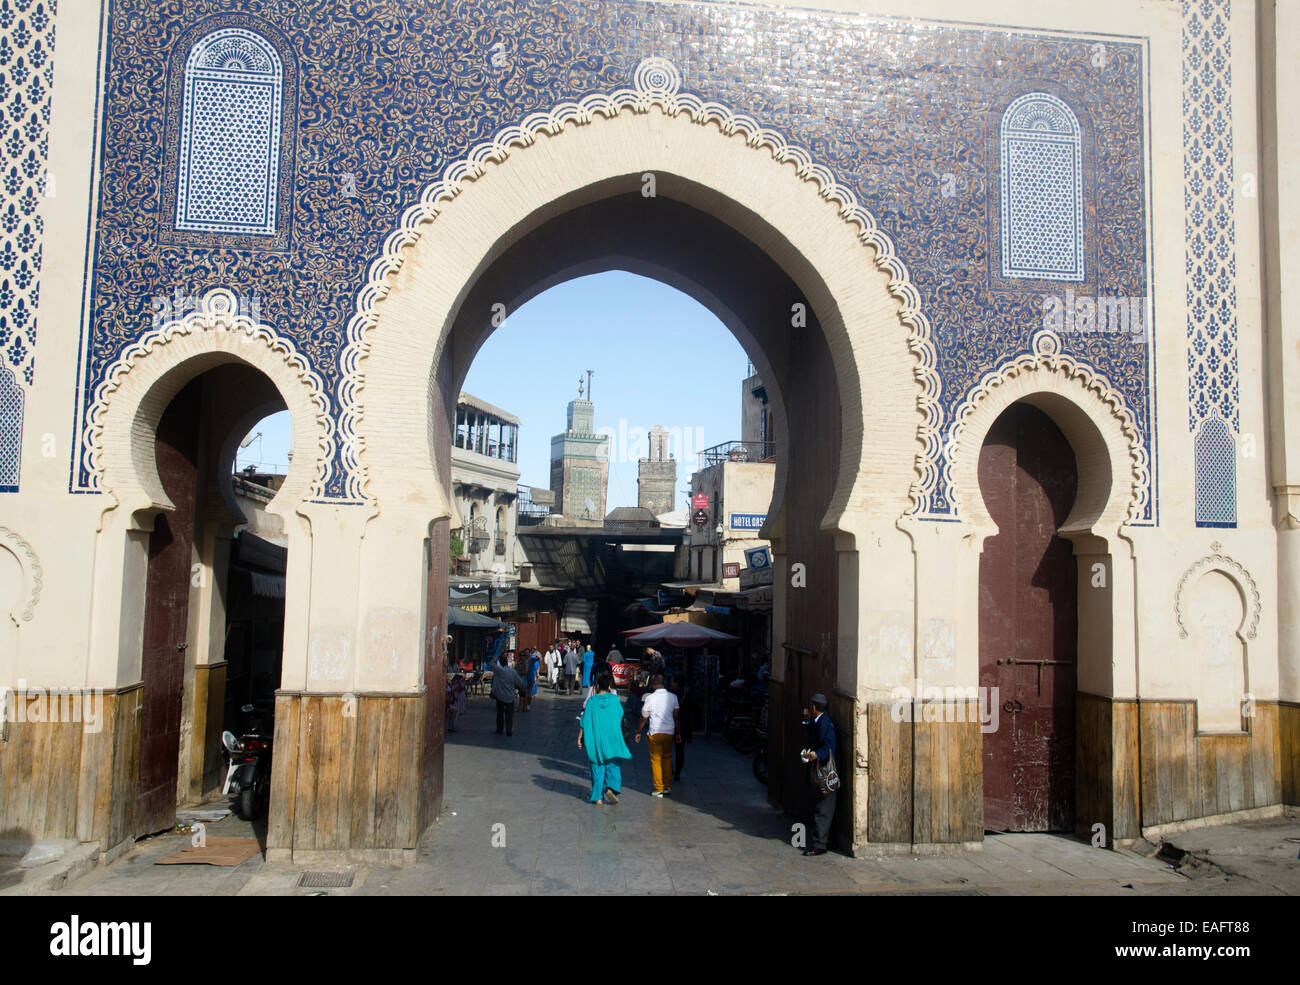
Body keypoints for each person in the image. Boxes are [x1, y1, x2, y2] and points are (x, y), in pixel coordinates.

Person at [578, 669, 632, 806]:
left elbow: (584, 721)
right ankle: (612, 788)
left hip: (596, 739)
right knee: (613, 765)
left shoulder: (591, 702)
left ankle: (597, 797)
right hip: (612, 737)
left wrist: (580, 738)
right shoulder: (614, 700)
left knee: (597, 766)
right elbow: (620, 716)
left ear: (596, 686)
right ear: (609, 686)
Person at [801, 692, 838, 856]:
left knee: (824, 809)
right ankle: (821, 841)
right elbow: (812, 729)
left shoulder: (825, 723)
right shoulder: (819, 720)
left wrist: (815, 755)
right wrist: (807, 719)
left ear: (814, 707)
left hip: (825, 774)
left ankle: (820, 845)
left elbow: (828, 746)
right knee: (820, 807)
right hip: (820, 771)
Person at [634, 674, 680, 797]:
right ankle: (666, 786)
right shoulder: (673, 697)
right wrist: (678, 732)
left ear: (653, 684)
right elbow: (676, 716)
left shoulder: (650, 698)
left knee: (655, 760)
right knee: (667, 758)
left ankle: (658, 788)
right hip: (669, 732)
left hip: (655, 732)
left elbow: (644, 717)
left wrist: (638, 731)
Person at [490, 653, 527, 736]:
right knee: (509, 715)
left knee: (500, 713)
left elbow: (491, 663)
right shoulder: (512, 672)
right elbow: (520, 683)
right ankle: (508, 730)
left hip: (499, 695)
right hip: (510, 696)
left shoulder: (498, 670)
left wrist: (497, 657)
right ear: (507, 663)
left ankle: (499, 729)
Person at [668, 675, 691, 782]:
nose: (670, 683)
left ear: (677, 683)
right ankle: (677, 772)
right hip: (683, 726)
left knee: (667, 750)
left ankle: (671, 769)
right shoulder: (687, 694)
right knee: (680, 750)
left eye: (672, 681)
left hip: (671, 725)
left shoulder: (671, 695)